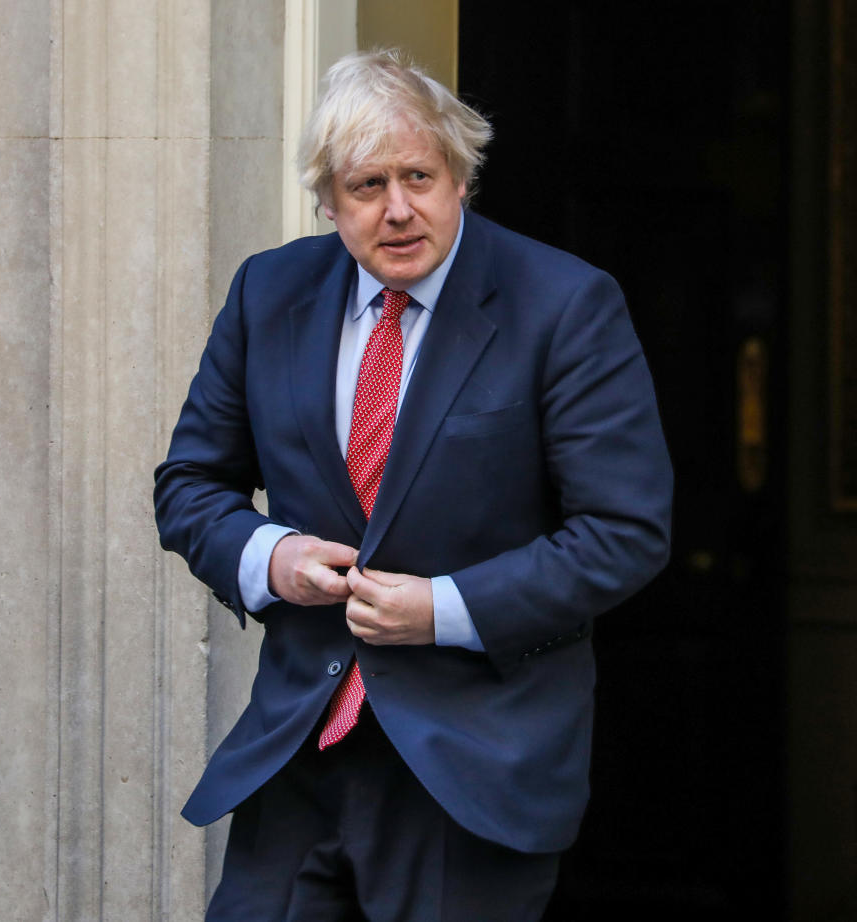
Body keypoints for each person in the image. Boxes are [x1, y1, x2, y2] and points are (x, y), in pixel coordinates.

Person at [154, 48, 673, 922]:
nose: (398, 210)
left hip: (470, 764)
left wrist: (443, 608)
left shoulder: (564, 304)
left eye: (419, 177)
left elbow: (625, 531)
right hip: (300, 754)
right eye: (366, 186)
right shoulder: (267, 292)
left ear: (460, 176)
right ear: (326, 199)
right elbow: (190, 485)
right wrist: (271, 558)